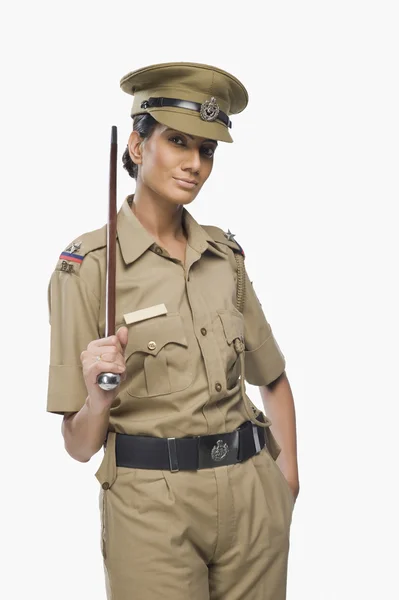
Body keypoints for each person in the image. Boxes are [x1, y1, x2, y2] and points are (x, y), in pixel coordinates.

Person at [46, 61, 300, 600]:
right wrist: (97, 399)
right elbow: (78, 444)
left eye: (206, 150)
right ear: (137, 147)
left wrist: (287, 482)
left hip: (252, 498)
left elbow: (272, 377)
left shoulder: (224, 256)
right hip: (150, 510)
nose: (194, 164)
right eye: (178, 141)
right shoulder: (87, 266)